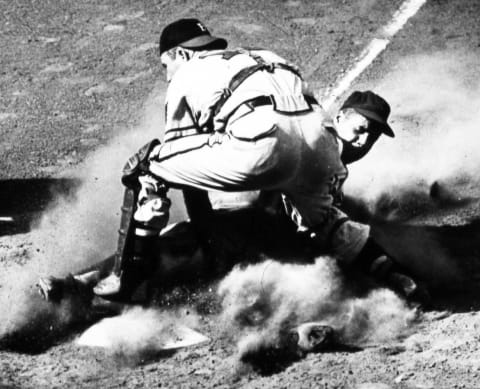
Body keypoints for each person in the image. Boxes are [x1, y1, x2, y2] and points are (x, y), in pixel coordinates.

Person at [39, 19, 425, 305]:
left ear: (181, 55)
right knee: (327, 224)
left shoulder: (188, 72)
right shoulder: (266, 57)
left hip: (258, 168)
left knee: (146, 166)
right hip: (311, 145)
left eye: (165, 66)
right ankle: (401, 277)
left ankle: (128, 279)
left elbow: (183, 154)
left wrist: (209, 234)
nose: (167, 73)